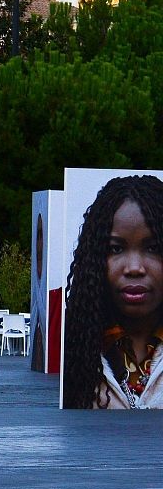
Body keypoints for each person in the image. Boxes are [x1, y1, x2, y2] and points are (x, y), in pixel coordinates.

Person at [63, 175, 163, 409]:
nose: (134, 268)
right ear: (95, 260)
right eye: (116, 249)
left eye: (153, 248)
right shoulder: (72, 346)